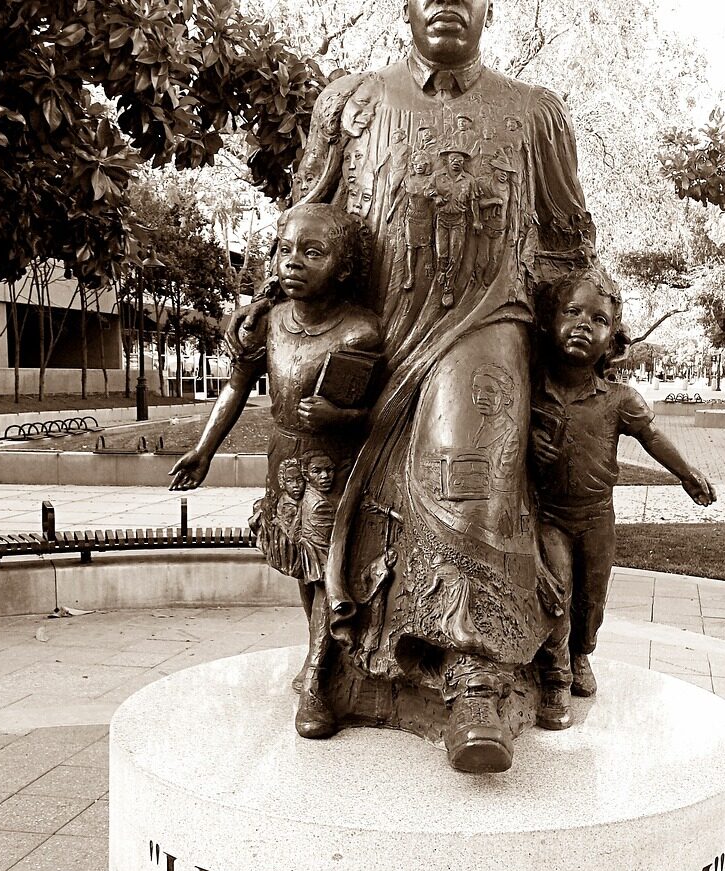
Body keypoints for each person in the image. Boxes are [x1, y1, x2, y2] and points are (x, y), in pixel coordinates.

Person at [244, 0, 596, 773]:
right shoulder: (351, 102)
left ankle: (475, 676)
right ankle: (338, 660)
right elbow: (308, 213)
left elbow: (569, 241)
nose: (446, 2)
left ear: (488, 9)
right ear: (405, 6)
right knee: (340, 500)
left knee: (465, 473)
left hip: (483, 326)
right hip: (372, 333)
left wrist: (572, 356)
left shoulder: (535, 114)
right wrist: (277, 308)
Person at [169, 204, 382, 738]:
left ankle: (317, 677)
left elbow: (380, 413)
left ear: (344, 265)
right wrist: (204, 450)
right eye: (286, 250)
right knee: (302, 570)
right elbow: (236, 387)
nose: (294, 263)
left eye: (313, 253)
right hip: (282, 462)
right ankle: (319, 661)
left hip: (332, 469)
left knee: (326, 568)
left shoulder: (360, 332)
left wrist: (342, 416)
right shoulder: (268, 322)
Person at [530, 267, 716, 729]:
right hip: (548, 514)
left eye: (598, 319)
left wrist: (687, 474)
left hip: (597, 517)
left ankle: (580, 655)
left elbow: (651, 438)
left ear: (612, 340)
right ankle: (553, 676)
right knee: (556, 592)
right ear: (549, 323)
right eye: (571, 312)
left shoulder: (618, 399)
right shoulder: (531, 393)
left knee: (591, 599)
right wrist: (530, 443)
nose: (582, 325)